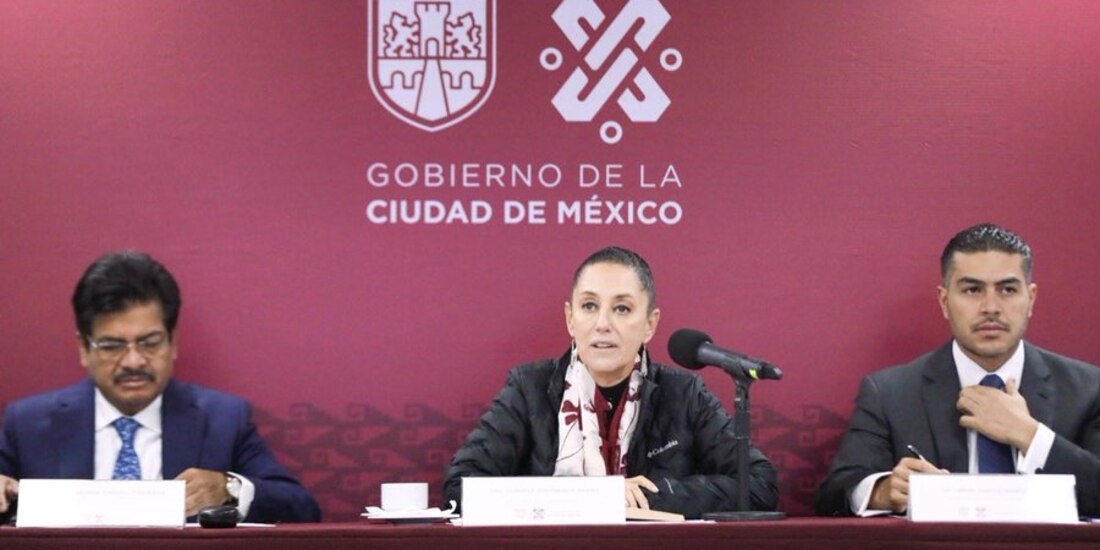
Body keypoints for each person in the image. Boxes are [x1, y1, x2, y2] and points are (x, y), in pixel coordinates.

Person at [443, 246, 779, 519]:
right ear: (570, 319)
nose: (602, 323)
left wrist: (653, 495)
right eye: (589, 306)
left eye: (621, 308)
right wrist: (597, 497)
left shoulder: (684, 394)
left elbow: (758, 484)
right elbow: (460, 487)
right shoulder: (529, 388)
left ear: (650, 324)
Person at [0, 251, 321, 523]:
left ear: (173, 342)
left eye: (150, 343)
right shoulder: (27, 424)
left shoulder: (223, 420)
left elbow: (302, 509)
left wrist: (229, 489)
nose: (134, 361)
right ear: (84, 348)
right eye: (112, 345)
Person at [816, 223, 1100, 517]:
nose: (991, 307)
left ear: (1031, 299)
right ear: (944, 301)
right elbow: (836, 492)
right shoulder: (889, 393)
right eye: (972, 289)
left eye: (1007, 290)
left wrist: (1029, 436)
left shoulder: (1089, 390)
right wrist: (884, 491)